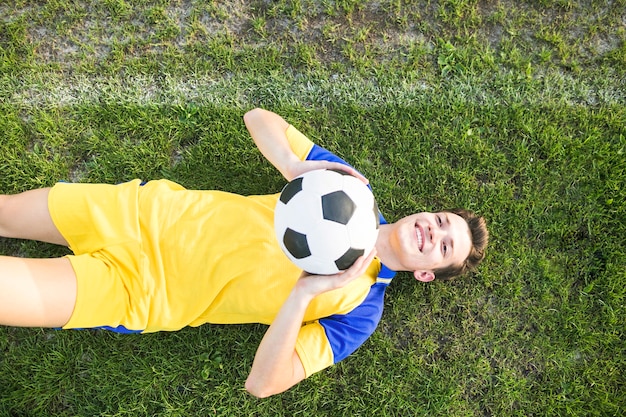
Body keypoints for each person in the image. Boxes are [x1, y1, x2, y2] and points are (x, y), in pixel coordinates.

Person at [0, 108, 488, 398]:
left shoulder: (360, 314)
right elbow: (258, 118)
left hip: (138, 292)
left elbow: (263, 384)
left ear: (427, 274)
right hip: (140, 211)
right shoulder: (350, 191)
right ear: (426, 212)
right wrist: (296, 165)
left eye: (444, 247)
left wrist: (302, 296)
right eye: (441, 221)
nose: (433, 232)